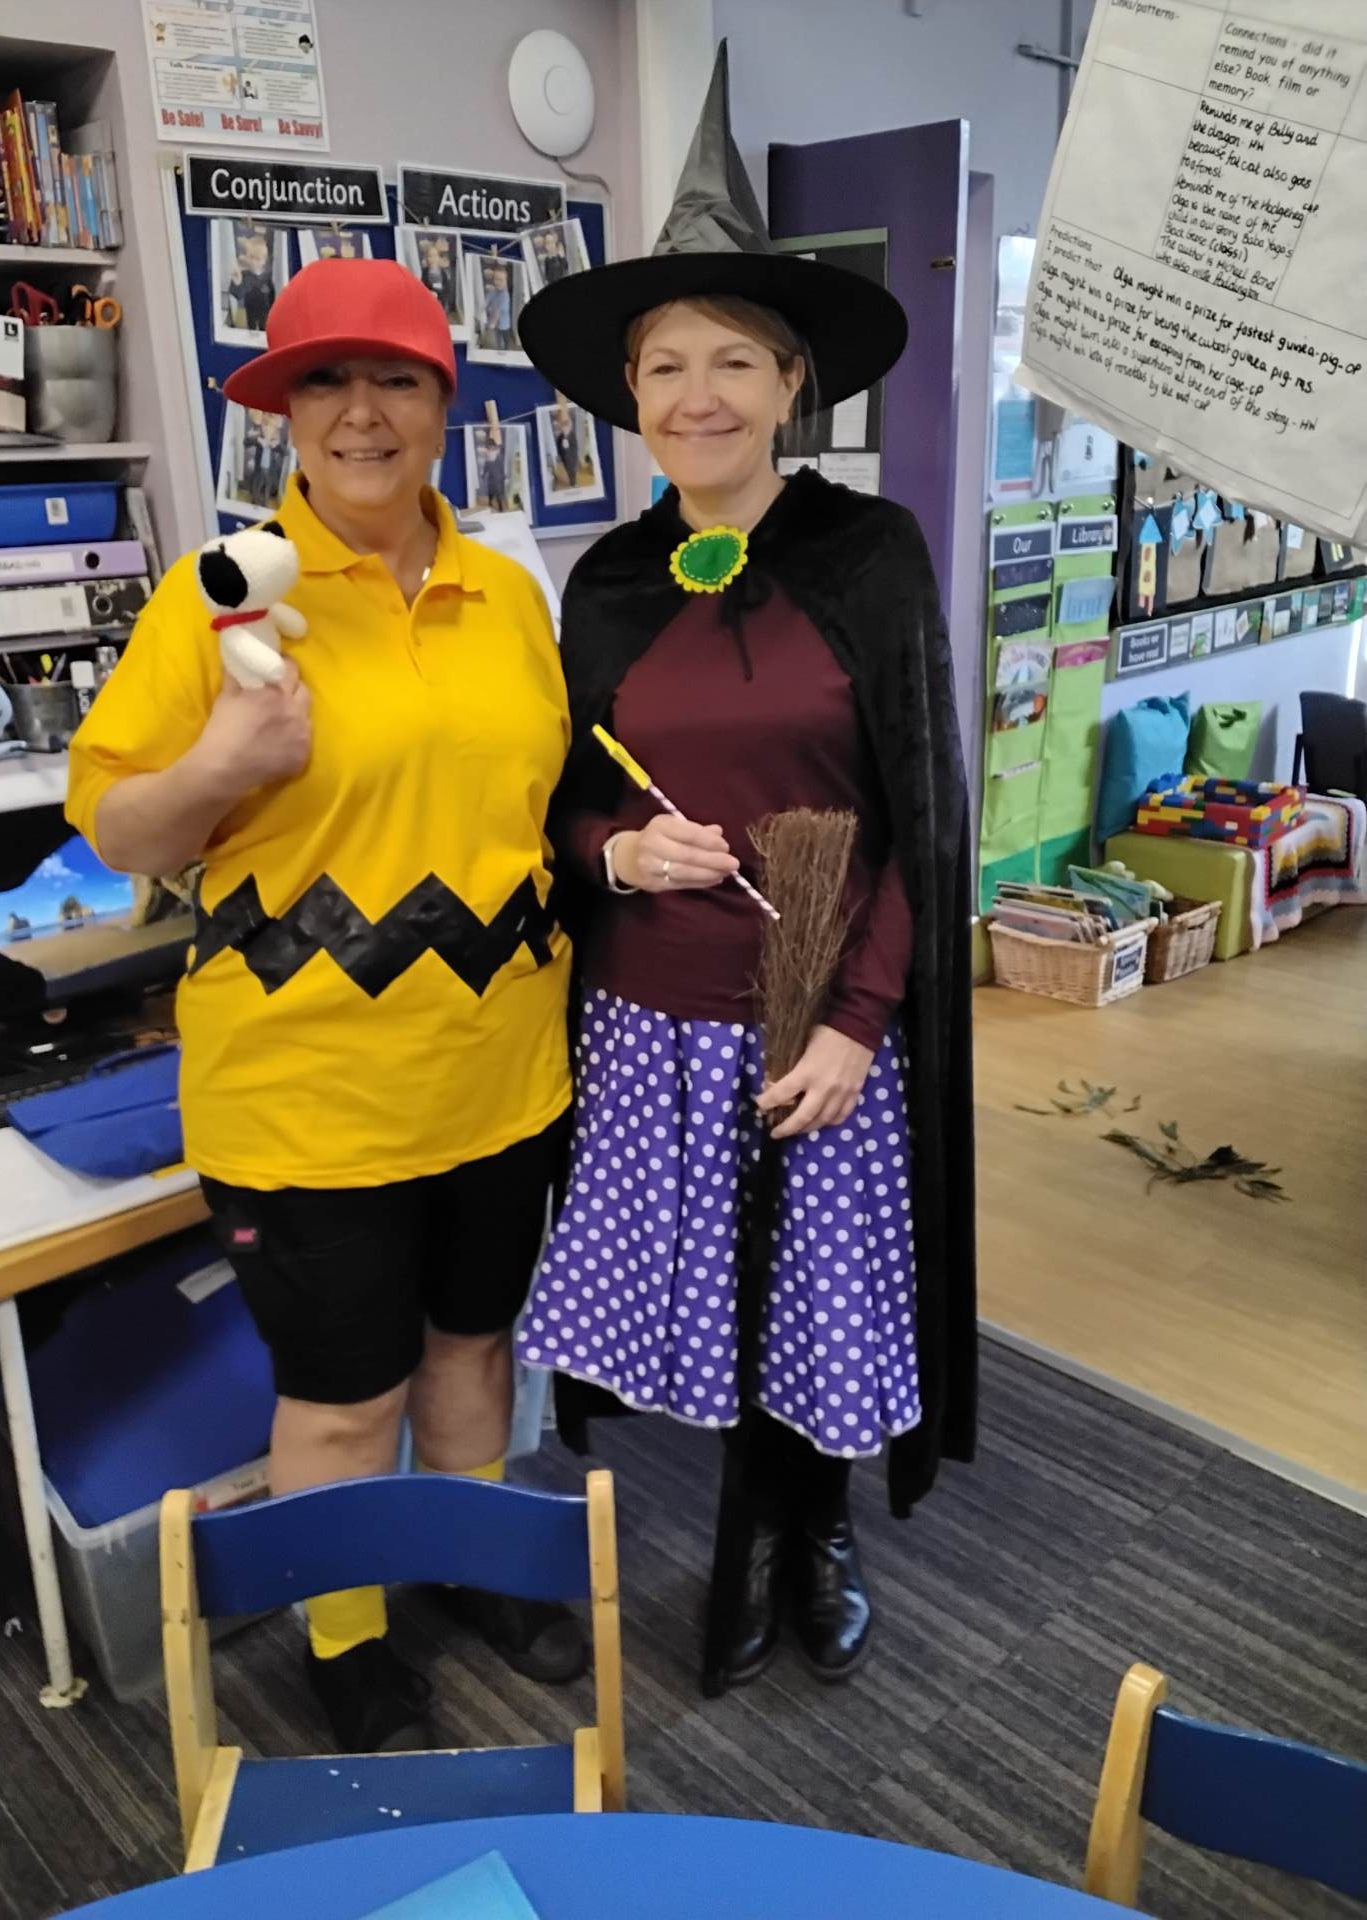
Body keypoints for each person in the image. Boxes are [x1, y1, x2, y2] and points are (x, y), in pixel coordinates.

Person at [66, 258, 585, 1752]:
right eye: (325, 383)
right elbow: (116, 827)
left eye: (396, 380)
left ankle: (470, 1562)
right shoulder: (220, 599)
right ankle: (344, 1633)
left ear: (446, 404)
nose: (363, 413)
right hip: (309, 1098)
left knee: (474, 1354)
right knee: (346, 1397)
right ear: (283, 416)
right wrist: (223, 765)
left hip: (500, 1073)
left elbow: (536, 808)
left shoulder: (508, 592)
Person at [517, 44, 975, 1696]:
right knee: (714, 1303)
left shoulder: (869, 555)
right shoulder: (609, 582)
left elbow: (917, 814)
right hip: (651, 1022)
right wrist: (619, 849)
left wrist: (857, 1019)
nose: (695, 395)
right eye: (664, 365)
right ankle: (751, 1527)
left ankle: (813, 1534)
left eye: (732, 362)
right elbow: (561, 805)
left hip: (818, 1014)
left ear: (792, 384)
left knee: (814, 1303)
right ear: (630, 394)